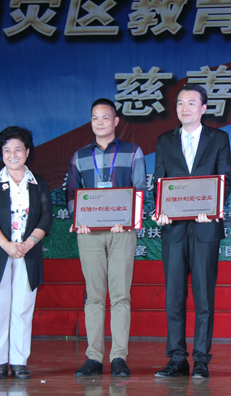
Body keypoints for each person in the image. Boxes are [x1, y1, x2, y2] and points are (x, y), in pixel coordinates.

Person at [153, 84, 231, 379]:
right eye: (180, 103)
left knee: (203, 299)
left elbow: (225, 180)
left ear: (203, 108)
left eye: (191, 103)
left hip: (205, 228)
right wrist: (161, 210)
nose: (184, 108)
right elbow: (159, 182)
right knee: (173, 298)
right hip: (173, 229)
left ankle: (200, 360)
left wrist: (210, 209)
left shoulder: (219, 139)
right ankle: (177, 359)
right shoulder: (164, 140)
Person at [66, 98, 146, 378]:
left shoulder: (133, 151)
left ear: (116, 121)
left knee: (121, 296)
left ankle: (119, 357)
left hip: (122, 232)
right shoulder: (79, 156)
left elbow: (140, 189)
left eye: (105, 117)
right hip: (89, 234)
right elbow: (71, 192)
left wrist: (127, 220)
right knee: (94, 297)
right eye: (95, 118)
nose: (100, 122)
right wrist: (79, 220)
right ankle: (94, 357)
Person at [0, 126, 52, 380]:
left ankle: (19, 362)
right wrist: (7, 245)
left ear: (27, 152)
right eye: (7, 150)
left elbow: (46, 218)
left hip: (27, 253)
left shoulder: (38, 183)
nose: (12, 155)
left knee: (22, 308)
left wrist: (28, 243)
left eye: (18, 149)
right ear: (1, 154)